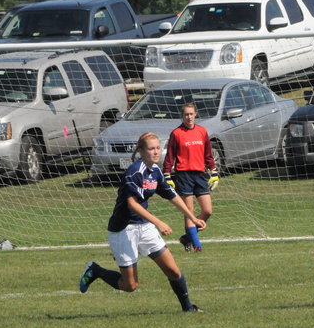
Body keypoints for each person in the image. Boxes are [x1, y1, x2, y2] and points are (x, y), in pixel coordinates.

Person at [79, 132, 206, 313]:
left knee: (173, 271)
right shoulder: (135, 171)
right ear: (141, 151)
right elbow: (132, 204)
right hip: (124, 229)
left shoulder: (155, 171)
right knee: (130, 285)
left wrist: (192, 217)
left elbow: (172, 195)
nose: (156, 152)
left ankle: (188, 309)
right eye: (151, 148)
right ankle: (96, 271)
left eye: (158, 148)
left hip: (145, 227)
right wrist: (158, 222)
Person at [163, 103, 219, 253]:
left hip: (200, 174)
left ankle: (187, 237)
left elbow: (208, 155)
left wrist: (214, 172)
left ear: (196, 114)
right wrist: (167, 174)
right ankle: (197, 245)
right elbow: (170, 156)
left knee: (207, 211)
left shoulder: (202, 131)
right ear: (182, 116)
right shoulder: (176, 133)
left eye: (191, 114)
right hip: (183, 175)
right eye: (186, 114)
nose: (189, 117)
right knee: (189, 210)